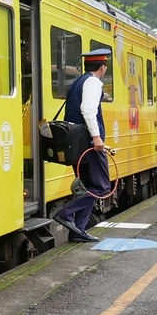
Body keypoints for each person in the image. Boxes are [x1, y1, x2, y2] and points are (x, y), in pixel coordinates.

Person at [53, 48, 112, 243]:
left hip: (77, 143)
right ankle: (66, 214)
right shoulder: (94, 82)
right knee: (102, 186)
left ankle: (78, 231)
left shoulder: (79, 82)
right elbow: (88, 110)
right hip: (88, 144)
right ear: (103, 67)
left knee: (88, 186)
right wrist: (97, 137)